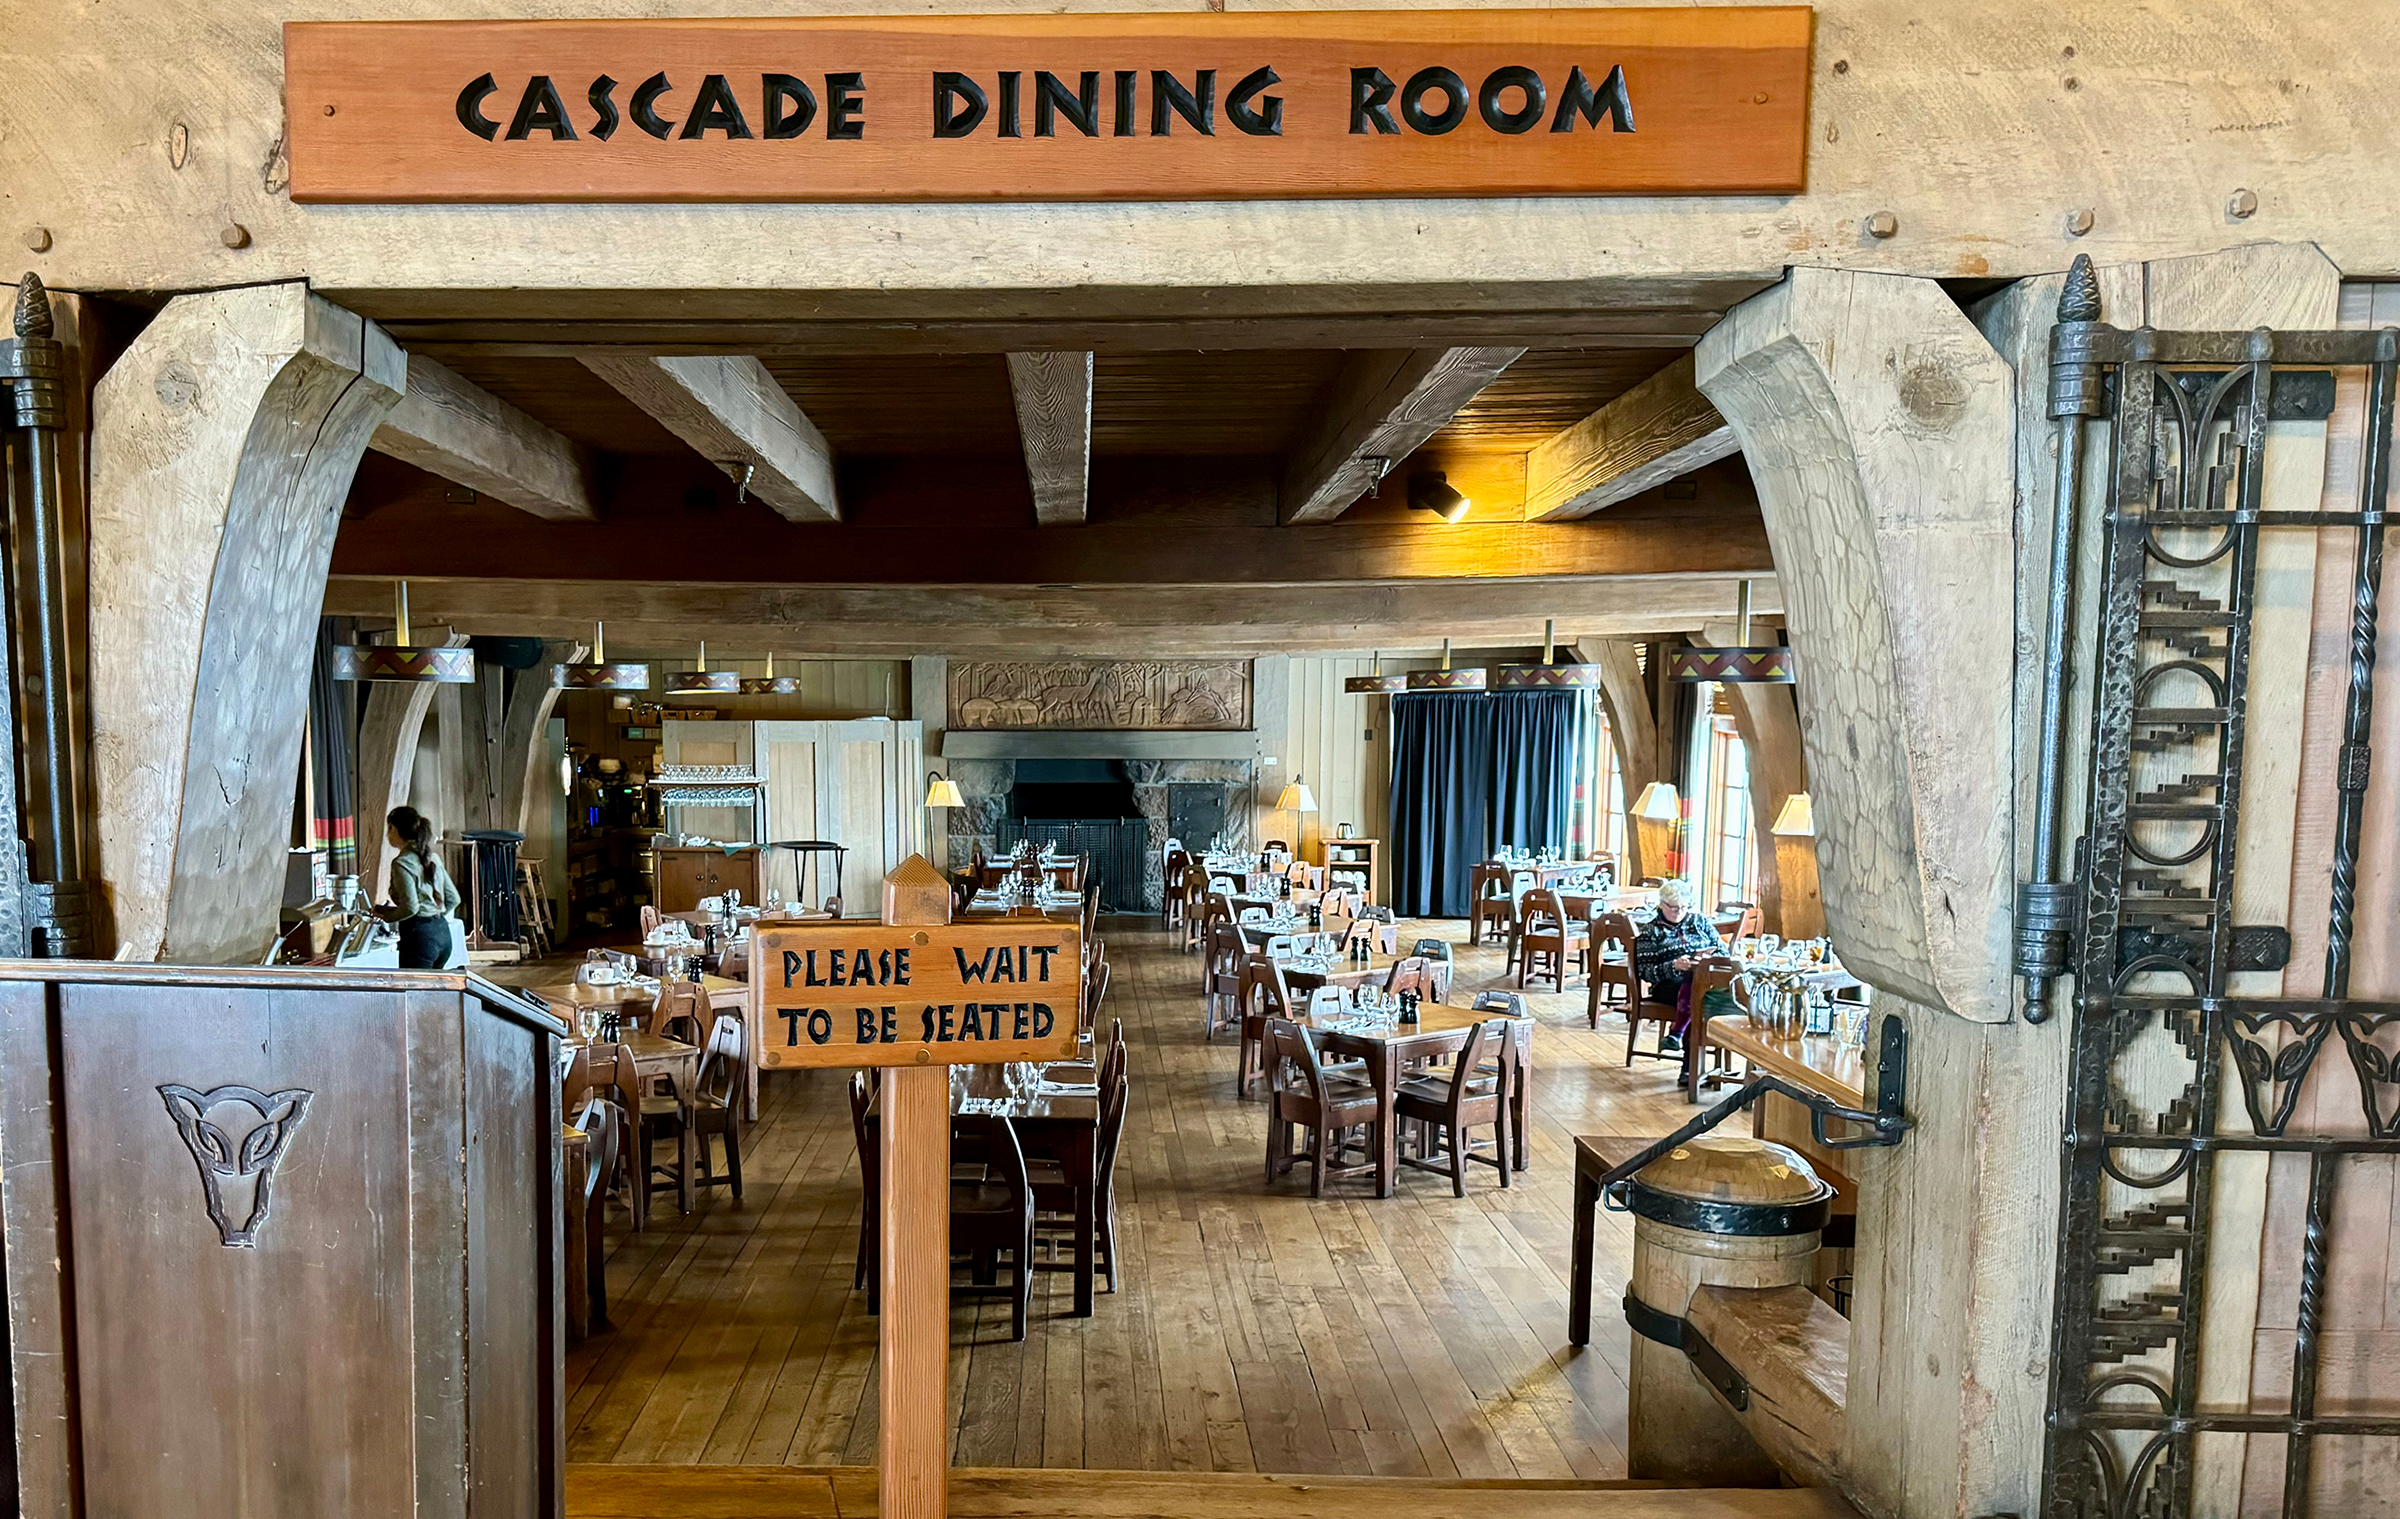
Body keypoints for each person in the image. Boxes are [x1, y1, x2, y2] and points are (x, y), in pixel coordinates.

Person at [1632, 879, 1723, 1054]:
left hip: (1703, 982)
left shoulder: (1699, 922)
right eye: (1674, 907)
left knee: (1698, 991)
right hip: (1667, 986)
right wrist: (1674, 966)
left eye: (1683, 907)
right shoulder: (1651, 931)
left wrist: (1706, 959)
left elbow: (1724, 952)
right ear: (1661, 905)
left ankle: (1677, 1035)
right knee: (1697, 995)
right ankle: (1690, 1067)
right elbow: (1645, 973)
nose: (1679, 912)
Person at [379, 806, 461, 969]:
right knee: (432, 991)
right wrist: (432, 916)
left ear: (393, 828)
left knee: (413, 993)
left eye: (389, 829)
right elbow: (454, 899)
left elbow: (411, 907)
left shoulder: (401, 863)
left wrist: (387, 916)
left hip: (420, 938)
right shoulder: (434, 858)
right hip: (442, 933)